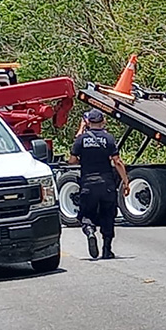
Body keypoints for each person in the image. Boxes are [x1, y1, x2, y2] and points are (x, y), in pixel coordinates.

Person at [69, 108, 130, 259]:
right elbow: (117, 162)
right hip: (106, 184)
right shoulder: (108, 138)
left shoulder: (81, 139)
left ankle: (90, 231)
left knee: (86, 214)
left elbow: (72, 160)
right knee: (108, 215)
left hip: (88, 184)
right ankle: (107, 250)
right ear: (103, 122)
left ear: (88, 122)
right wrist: (126, 182)